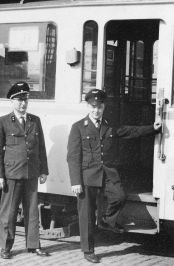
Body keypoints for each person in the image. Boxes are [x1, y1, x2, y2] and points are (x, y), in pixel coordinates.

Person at [67, 89, 162, 263]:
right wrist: (75, 181)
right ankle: (88, 250)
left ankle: (107, 220)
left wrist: (152, 129)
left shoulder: (109, 126)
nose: (97, 110)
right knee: (86, 214)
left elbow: (129, 131)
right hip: (86, 175)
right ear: (88, 106)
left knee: (119, 196)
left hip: (107, 173)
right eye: (94, 106)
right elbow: (72, 157)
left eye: (100, 106)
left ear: (104, 106)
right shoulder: (78, 127)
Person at [0, 82, 49, 259]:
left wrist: (43, 170)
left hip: (31, 172)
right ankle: (6, 248)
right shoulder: (2, 122)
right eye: (19, 100)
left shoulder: (35, 120)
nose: (23, 103)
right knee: (9, 213)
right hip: (12, 174)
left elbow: (41, 147)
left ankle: (33, 245)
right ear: (12, 101)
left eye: (25, 99)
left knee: (32, 211)